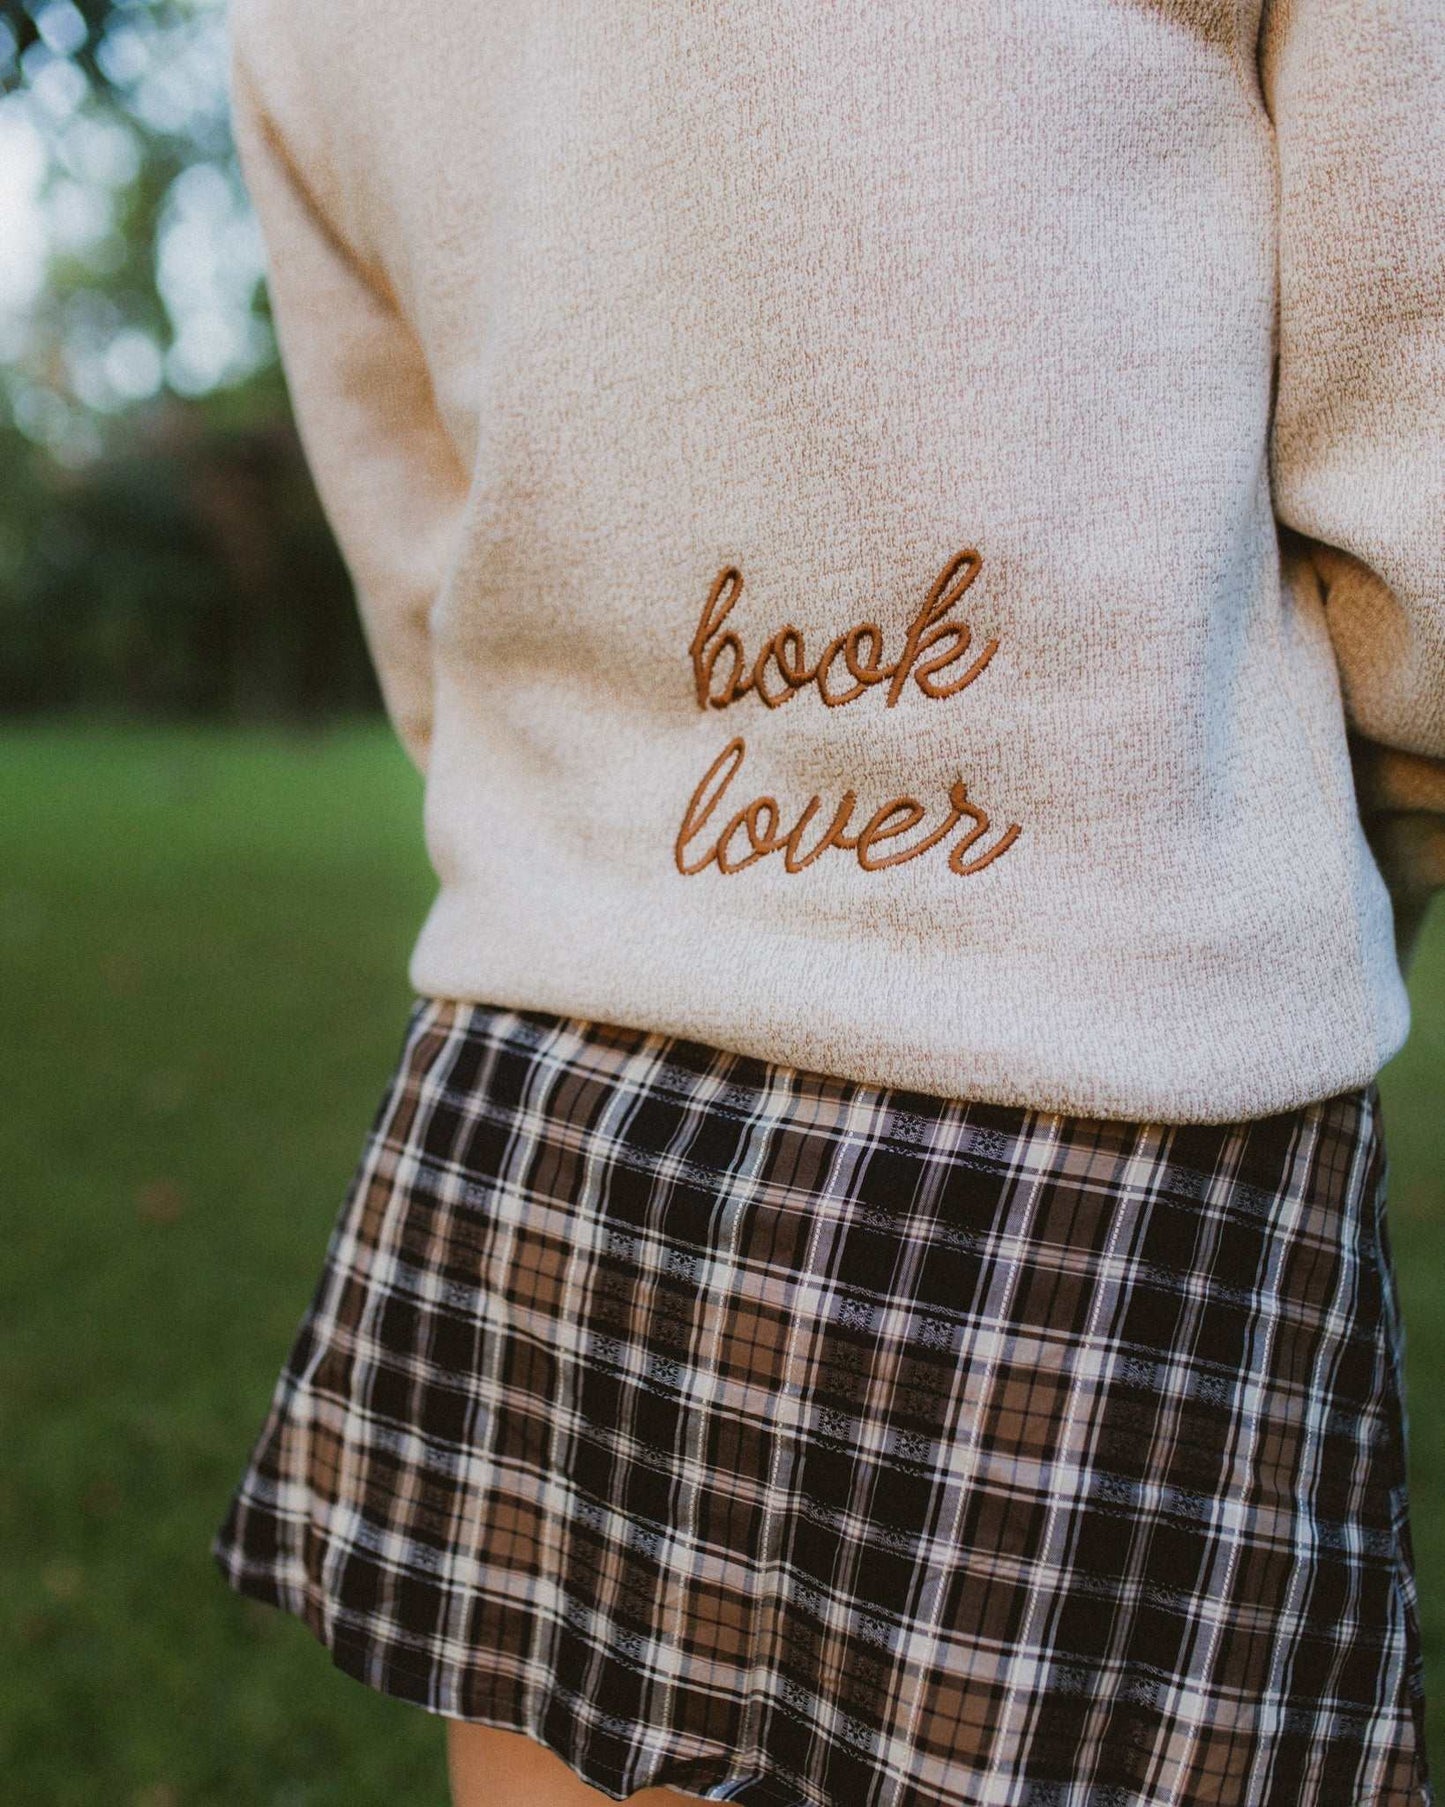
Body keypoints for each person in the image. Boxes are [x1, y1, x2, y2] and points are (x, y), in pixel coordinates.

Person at [213, 1, 1444, 1802]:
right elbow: (1418, 487)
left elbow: (422, 570)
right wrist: (1316, 869)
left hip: (547, 1080)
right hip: (1100, 1085)